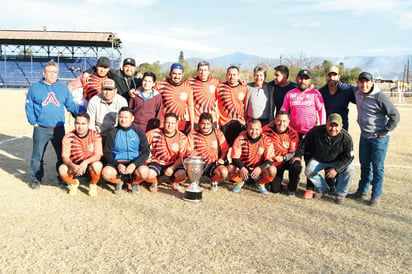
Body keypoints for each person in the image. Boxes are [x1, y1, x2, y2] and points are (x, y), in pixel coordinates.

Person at [25, 60, 79, 189]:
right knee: (37, 156)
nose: (52, 74)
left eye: (54, 72)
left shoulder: (62, 88)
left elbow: (71, 105)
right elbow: (29, 106)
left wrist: (83, 115)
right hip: (41, 128)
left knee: (62, 155)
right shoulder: (35, 87)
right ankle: (36, 179)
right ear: (44, 73)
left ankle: (63, 177)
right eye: (49, 72)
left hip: (58, 128)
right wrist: (34, 122)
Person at [348, 72, 400, 206]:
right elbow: (344, 87)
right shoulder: (357, 93)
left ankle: (376, 195)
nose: (364, 84)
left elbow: (395, 116)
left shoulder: (380, 96)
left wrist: (384, 131)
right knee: (365, 165)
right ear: (358, 83)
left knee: (377, 167)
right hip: (364, 136)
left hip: (378, 139)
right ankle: (362, 191)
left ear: (372, 83)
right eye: (361, 82)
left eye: (367, 82)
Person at [281, 69, 326, 199]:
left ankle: (310, 188)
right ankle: (293, 185)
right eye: (301, 78)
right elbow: (284, 111)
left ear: (309, 80)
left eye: (306, 78)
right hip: (294, 134)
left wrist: (321, 129)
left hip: (311, 134)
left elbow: (321, 111)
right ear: (297, 79)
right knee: (294, 161)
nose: (303, 81)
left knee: (310, 161)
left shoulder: (315, 94)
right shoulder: (290, 94)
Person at [299, 113, 355, 204]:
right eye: (330, 125)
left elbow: (349, 157)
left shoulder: (346, 138)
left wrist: (336, 169)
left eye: (336, 126)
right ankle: (323, 189)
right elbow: (303, 143)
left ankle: (340, 194)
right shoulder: (316, 131)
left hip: (337, 161)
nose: (333, 129)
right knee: (309, 170)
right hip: (319, 159)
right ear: (326, 124)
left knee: (350, 169)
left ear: (341, 126)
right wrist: (298, 157)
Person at [102, 107, 150, 195]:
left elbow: (146, 152)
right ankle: (118, 182)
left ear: (132, 118)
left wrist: (134, 164)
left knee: (144, 172)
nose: (123, 120)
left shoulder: (139, 132)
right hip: (118, 162)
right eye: (121, 117)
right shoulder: (112, 133)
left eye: (126, 117)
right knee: (106, 173)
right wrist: (117, 164)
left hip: (134, 162)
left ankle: (135, 182)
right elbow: (107, 153)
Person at [59, 112, 103, 197]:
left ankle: (93, 184)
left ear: (88, 124)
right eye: (77, 123)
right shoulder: (68, 137)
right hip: (75, 165)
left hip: (89, 165)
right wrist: (73, 165)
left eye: (83, 124)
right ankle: (74, 183)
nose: (80, 127)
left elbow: (98, 155)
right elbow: (65, 157)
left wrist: (86, 162)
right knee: (62, 169)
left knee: (98, 165)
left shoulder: (95, 135)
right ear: (74, 124)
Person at [229, 119, 276, 194]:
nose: (254, 132)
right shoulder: (240, 139)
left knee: (272, 170)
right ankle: (239, 182)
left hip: (258, 169)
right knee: (230, 168)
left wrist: (260, 168)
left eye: (257, 129)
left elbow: (270, 160)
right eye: (251, 129)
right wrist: (242, 167)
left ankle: (261, 183)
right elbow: (234, 158)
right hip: (244, 169)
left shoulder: (266, 140)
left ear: (261, 129)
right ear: (247, 128)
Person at [145, 113, 190, 192]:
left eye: (172, 123)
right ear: (164, 122)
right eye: (167, 123)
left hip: (174, 163)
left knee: (182, 175)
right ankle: (154, 180)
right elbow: (142, 145)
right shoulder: (153, 133)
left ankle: (173, 180)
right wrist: (146, 158)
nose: (170, 125)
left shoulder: (182, 137)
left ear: (176, 124)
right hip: (157, 162)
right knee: (147, 174)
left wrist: (172, 168)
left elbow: (182, 156)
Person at [262, 111, 302, 196]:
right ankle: (269, 180)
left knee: (297, 165)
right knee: (275, 190)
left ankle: (292, 187)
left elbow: (293, 152)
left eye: (284, 121)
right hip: (274, 162)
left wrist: (284, 158)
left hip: (286, 160)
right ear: (275, 120)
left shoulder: (293, 133)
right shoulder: (266, 130)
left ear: (288, 122)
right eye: (279, 120)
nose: (281, 123)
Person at [188, 112, 229, 191]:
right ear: (199, 123)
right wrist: (197, 154)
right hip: (199, 163)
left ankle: (214, 180)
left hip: (213, 163)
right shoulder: (193, 134)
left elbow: (225, 149)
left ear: (211, 124)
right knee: (184, 173)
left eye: (208, 124)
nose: (205, 126)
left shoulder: (217, 133)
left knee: (224, 172)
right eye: (203, 123)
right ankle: (196, 179)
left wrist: (222, 159)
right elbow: (189, 151)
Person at [155, 63, 194, 135]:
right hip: (165, 124)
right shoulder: (161, 85)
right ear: (170, 73)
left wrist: (192, 125)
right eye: (174, 74)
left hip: (181, 125)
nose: (177, 76)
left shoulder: (187, 87)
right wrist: (138, 89)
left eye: (179, 74)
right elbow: (147, 90)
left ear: (183, 74)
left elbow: (190, 107)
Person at [216, 65, 247, 146]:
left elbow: (246, 106)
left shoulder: (244, 88)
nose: (232, 77)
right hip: (224, 122)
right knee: (224, 147)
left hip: (239, 122)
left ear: (238, 76)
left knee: (239, 148)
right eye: (230, 74)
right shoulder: (220, 87)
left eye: (234, 75)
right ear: (226, 75)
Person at [319, 65, 356, 131]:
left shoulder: (347, 90)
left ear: (339, 76)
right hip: (326, 128)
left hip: (342, 128)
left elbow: (361, 102)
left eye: (334, 75)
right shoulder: (321, 92)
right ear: (326, 77)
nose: (332, 78)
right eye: (329, 75)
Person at [186, 61, 221, 128]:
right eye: (201, 70)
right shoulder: (190, 82)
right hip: (197, 120)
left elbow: (227, 86)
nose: (203, 72)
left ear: (209, 71)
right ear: (197, 71)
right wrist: (167, 79)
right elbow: (178, 84)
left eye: (205, 70)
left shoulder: (215, 82)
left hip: (211, 120)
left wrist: (239, 81)